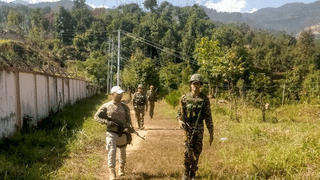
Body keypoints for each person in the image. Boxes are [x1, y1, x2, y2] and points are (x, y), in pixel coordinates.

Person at [177, 74, 214, 180]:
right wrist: (180, 120)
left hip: (199, 128)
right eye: (194, 83)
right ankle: (186, 171)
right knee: (187, 151)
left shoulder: (204, 99)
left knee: (197, 151)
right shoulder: (184, 98)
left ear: (200, 85)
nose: (195, 86)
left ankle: (193, 172)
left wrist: (211, 132)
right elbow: (179, 113)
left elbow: (208, 117)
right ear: (190, 85)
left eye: (197, 84)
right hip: (188, 128)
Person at [94, 86, 134, 180]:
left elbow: (128, 121)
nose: (120, 96)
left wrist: (129, 128)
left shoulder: (125, 107)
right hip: (111, 132)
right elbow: (96, 117)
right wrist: (106, 122)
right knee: (111, 151)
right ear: (112, 95)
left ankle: (121, 168)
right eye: (117, 94)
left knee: (122, 153)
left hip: (122, 133)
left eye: (121, 94)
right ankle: (112, 172)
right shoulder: (106, 106)